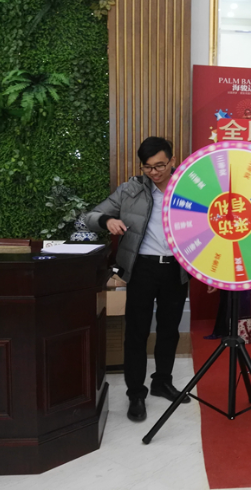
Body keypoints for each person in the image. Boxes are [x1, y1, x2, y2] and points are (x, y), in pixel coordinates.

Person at [84, 137, 190, 423]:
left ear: (172, 160)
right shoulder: (130, 190)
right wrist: (107, 221)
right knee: (137, 332)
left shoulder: (189, 188)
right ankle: (136, 393)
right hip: (142, 268)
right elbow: (90, 216)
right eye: (148, 167)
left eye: (160, 166)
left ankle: (162, 382)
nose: (154, 172)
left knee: (169, 330)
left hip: (176, 269)